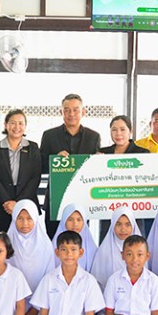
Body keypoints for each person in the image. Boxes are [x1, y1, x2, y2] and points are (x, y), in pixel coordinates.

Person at [40, 94, 101, 237]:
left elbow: (96, 170)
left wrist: (98, 162)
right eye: (67, 110)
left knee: (79, 241)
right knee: (54, 239)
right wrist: (54, 159)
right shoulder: (49, 135)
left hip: (82, 198)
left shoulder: (94, 137)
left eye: (76, 110)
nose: (71, 114)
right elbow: (41, 165)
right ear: (61, 112)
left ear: (83, 112)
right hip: (56, 199)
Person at [7, 199, 55, 315]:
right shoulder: (7, 243)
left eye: (29, 219)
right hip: (13, 305)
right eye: (20, 218)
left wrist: (35, 307)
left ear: (35, 219)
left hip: (38, 306)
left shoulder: (45, 244)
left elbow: (48, 279)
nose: (24, 223)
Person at [0, 109, 42, 231]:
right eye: (12, 123)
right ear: (6, 125)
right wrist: (7, 202)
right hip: (1, 206)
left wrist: (18, 203)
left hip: (26, 204)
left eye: (21, 123)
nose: (17, 127)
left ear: (25, 126)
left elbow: (35, 177)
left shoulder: (33, 148)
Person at [91, 207, 142, 290]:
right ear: (112, 225)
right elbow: (98, 283)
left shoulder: (141, 250)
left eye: (127, 224)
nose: (123, 229)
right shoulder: (104, 252)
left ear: (133, 226)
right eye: (118, 224)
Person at [51, 203, 98, 271]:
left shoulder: (91, 246)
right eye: (70, 219)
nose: (75, 224)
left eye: (79, 220)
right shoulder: (54, 246)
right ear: (64, 221)